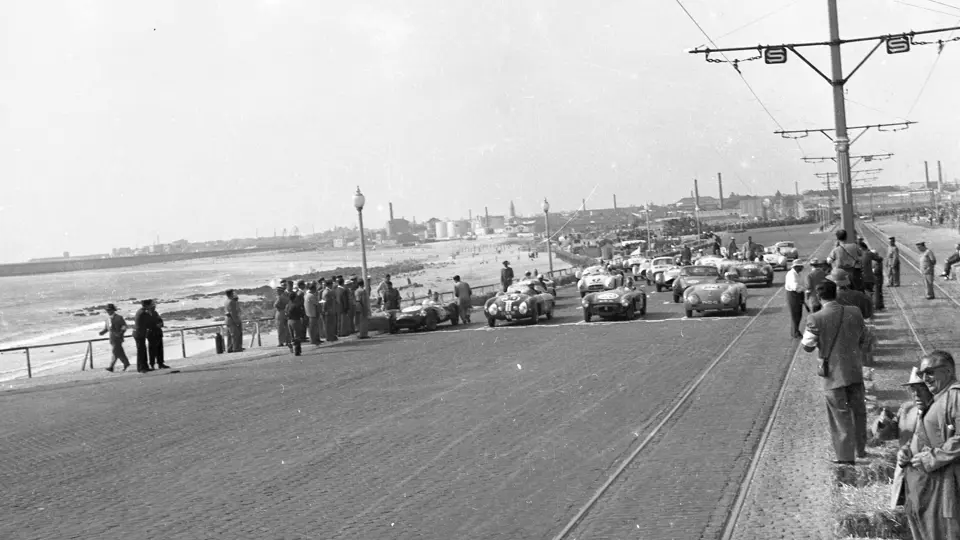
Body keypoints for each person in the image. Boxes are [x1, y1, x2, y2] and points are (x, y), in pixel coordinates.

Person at [802, 280, 867, 464]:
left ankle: (846, 458)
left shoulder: (815, 318)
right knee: (859, 411)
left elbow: (807, 346)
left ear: (819, 296)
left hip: (833, 375)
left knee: (840, 416)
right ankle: (861, 449)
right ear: (836, 293)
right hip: (855, 369)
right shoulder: (855, 312)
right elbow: (863, 337)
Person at [898, 350, 960, 539]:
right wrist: (907, 451)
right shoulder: (937, 399)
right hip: (926, 487)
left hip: (944, 485)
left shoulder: (955, 396)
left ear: (948, 371)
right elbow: (927, 436)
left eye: (930, 372)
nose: (925, 378)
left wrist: (932, 457)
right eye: (922, 374)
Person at [889, 367, 935, 511]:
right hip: (904, 478)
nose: (916, 394)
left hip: (929, 482)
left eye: (922, 388)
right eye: (913, 389)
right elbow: (891, 433)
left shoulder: (942, 413)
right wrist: (881, 425)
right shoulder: (907, 409)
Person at [99, 303, 130, 372]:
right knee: (119, 352)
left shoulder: (119, 317)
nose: (108, 311)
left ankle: (111, 367)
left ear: (113, 310)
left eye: (109, 310)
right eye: (107, 310)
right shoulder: (107, 319)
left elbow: (124, 326)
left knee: (115, 352)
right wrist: (102, 332)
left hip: (118, 339)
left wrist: (121, 333)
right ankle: (126, 363)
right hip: (112, 339)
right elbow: (107, 328)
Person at [784, 259, 807, 338]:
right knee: (795, 314)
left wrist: (802, 288)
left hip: (798, 294)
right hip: (793, 295)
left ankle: (796, 330)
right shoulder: (791, 275)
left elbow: (802, 284)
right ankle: (795, 332)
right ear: (796, 267)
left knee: (799, 314)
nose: (802, 268)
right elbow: (795, 287)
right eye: (801, 266)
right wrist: (804, 288)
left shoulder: (798, 274)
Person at [133, 300, 154, 373]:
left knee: (143, 350)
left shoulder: (141, 311)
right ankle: (141, 368)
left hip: (139, 333)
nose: (152, 306)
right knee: (141, 351)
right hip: (139, 334)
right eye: (151, 304)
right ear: (147, 305)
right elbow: (150, 322)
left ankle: (145, 366)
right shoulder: (144, 312)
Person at [146, 300, 169, 369]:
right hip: (151, 334)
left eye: (154, 305)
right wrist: (155, 325)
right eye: (153, 305)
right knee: (152, 350)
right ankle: (152, 364)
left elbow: (160, 321)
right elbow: (147, 324)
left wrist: (160, 324)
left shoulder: (155, 313)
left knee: (160, 349)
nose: (154, 306)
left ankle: (160, 363)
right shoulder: (146, 314)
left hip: (158, 333)